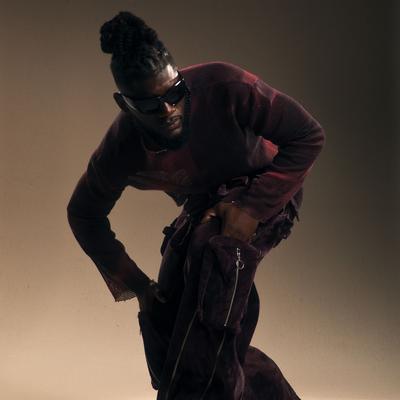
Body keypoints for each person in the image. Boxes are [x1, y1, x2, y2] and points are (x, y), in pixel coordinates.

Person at [66, 11, 325, 400]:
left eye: (175, 94)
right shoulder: (121, 148)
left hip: (265, 188)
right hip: (203, 204)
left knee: (212, 252)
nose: (169, 111)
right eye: (151, 106)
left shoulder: (223, 84)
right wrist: (138, 285)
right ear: (124, 104)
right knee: (165, 306)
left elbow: (308, 135)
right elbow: (83, 213)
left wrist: (252, 208)